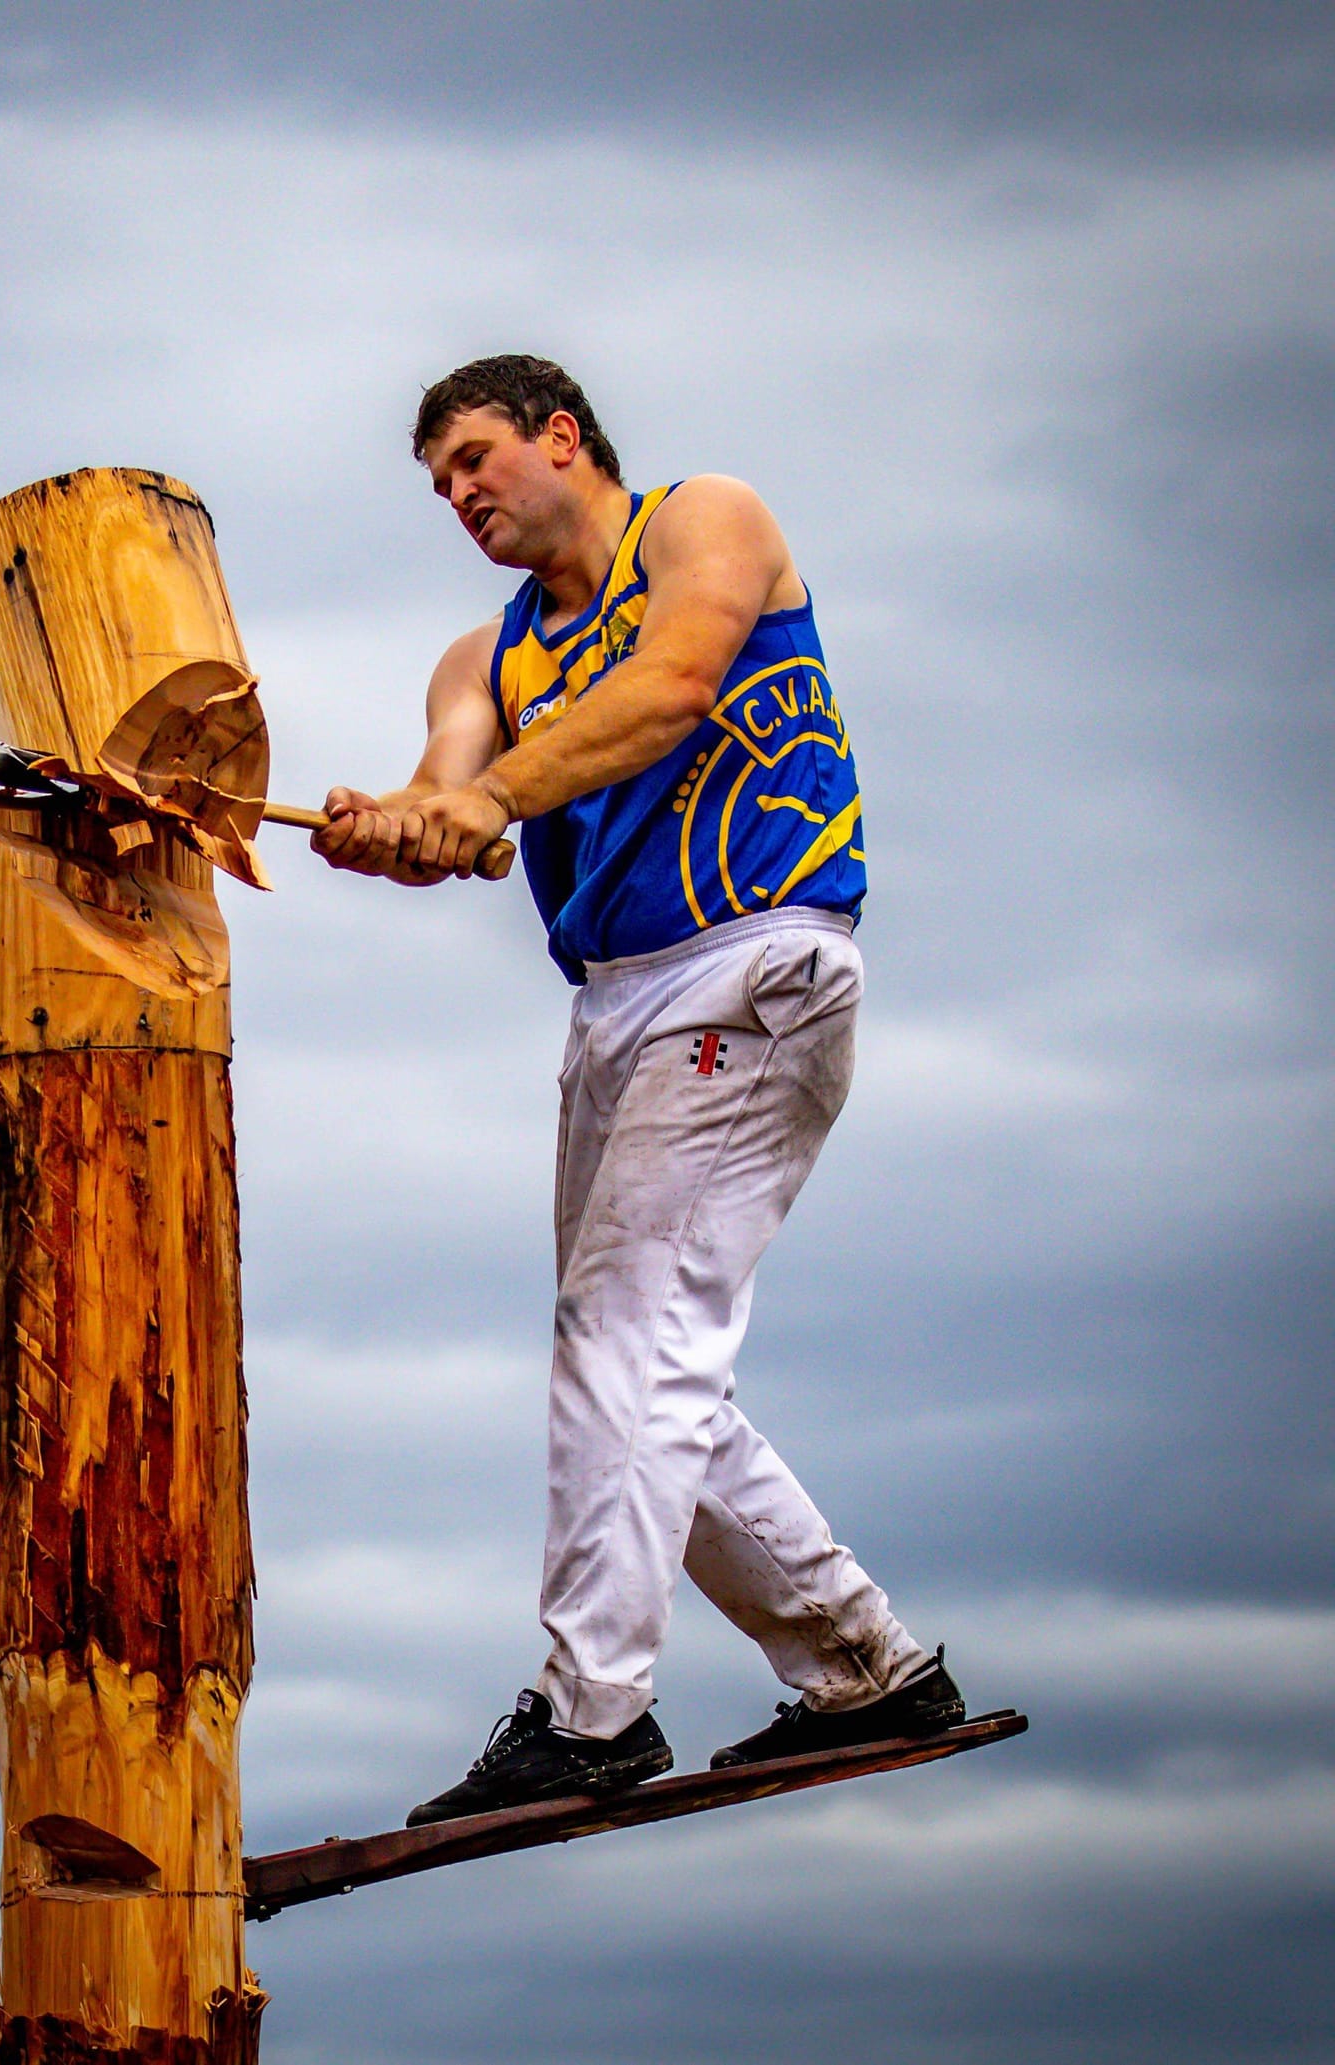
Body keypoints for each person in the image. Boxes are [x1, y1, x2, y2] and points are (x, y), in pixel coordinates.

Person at [311, 356, 963, 1828]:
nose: (460, 493)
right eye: (437, 482)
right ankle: (864, 1666)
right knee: (641, 1361)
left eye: (476, 456)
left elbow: (671, 686)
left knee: (627, 1336)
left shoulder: (703, 522)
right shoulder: (484, 657)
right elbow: (457, 784)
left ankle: (591, 1707)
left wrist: (481, 803)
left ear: (562, 435)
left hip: (749, 959)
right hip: (614, 1005)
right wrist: (401, 825)